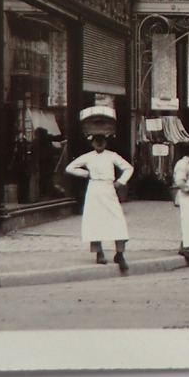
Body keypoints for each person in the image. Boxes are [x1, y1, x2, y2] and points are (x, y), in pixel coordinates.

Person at [63, 105, 134, 272]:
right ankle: (99, 252)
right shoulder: (87, 157)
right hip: (94, 189)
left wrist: (121, 182)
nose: (99, 144)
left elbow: (129, 168)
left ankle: (120, 253)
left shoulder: (112, 156)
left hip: (109, 189)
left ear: (106, 142)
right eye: (96, 141)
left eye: (102, 141)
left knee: (118, 221)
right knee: (94, 222)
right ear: (92, 142)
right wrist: (86, 174)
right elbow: (70, 168)